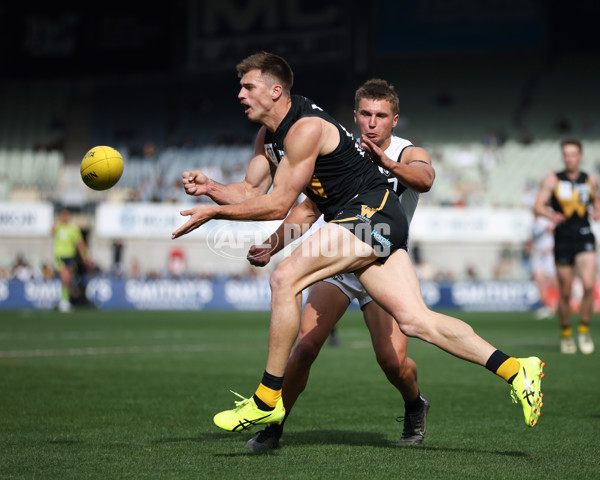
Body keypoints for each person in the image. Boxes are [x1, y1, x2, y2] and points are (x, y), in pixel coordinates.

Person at [172, 51, 545, 435]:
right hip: (359, 230)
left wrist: (214, 215)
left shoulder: (309, 129)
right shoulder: (270, 138)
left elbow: (281, 204)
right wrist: (211, 190)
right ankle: (517, 368)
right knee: (416, 321)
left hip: (371, 218)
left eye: (248, 87)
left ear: (275, 90)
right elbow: (255, 191)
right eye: (365, 114)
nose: (240, 94)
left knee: (286, 280)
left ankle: (267, 400)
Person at [244, 79, 434, 450]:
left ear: (395, 120)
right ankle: (273, 424)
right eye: (365, 114)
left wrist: (389, 164)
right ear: (355, 115)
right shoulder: (341, 147)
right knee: (307, 346)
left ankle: (414, 403)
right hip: (340, 264)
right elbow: (310, 207)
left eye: (381, 115)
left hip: (382, 262)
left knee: (393, 363)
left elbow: (425, 180)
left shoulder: (408, 152)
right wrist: (272, 244)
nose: (372, 122)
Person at [533, 139, 600, 354]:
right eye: (566, 154)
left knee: (589, 286)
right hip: (563, 238)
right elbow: (538, 206)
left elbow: (595, 200)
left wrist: (597, 210)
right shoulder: (553, 180)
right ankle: (566, 333)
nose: (569, 158)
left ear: (580, 156)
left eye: (573, 154)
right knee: (565, 291)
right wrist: (552, 215)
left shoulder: (590, 179)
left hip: (584, 235)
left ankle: (583, 330)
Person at [52, 208, 90, 312]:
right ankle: (64, 301)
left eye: (66, 215)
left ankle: (65, 299)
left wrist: (85, 256)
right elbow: (51, 231)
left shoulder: (73, 229)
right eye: (63, 215)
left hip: (70, 256)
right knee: (65, 277)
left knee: (68, 279)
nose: (64, 217)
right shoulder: (58, 226)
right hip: (60, 256)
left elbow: (79, 243)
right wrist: (58, 222)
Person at [530, 215, 557, 320]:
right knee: (539, 280)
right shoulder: (535, 224)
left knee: (553, 281)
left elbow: (556, 235)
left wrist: (552, 248)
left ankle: (557, 303)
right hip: (539, 255)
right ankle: (546, 305)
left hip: (550, 255)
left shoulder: (548, 221)